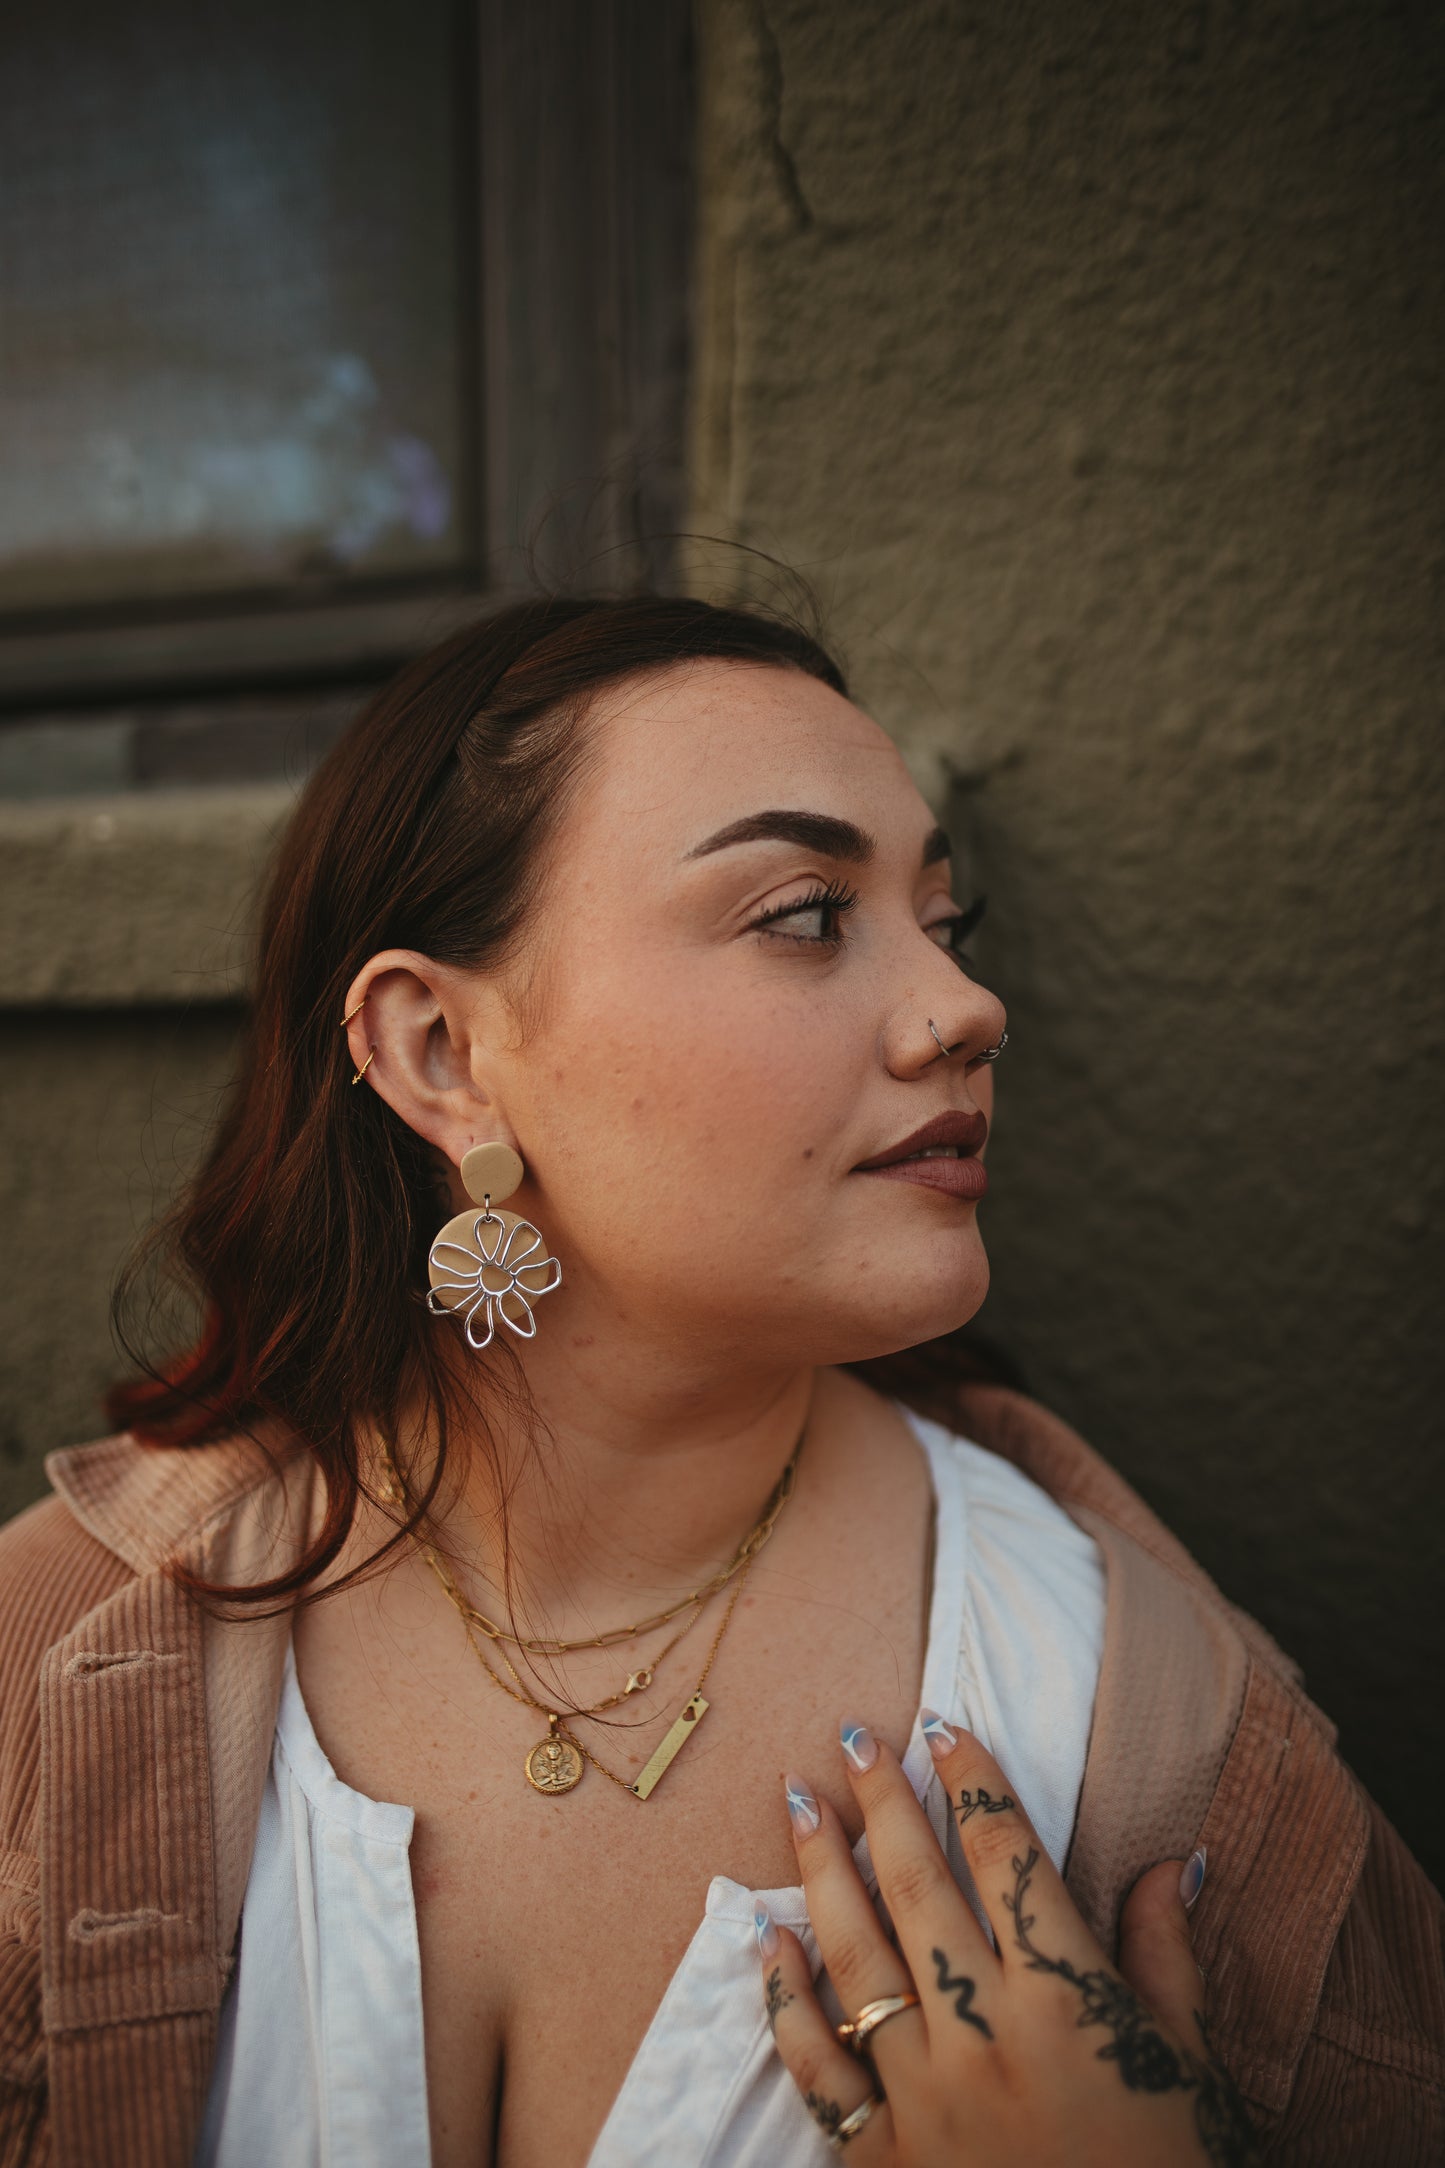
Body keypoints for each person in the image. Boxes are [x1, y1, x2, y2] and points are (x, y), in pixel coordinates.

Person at [0, 595, 1439, 2168]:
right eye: (807, 914)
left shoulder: (1143, 1735)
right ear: (439, 1053)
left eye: (942, 926)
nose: (966, 1011)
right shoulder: (57, 1666)